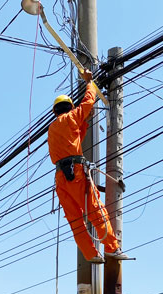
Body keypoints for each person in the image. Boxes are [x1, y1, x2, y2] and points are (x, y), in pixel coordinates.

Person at [48, 70, 129, 264]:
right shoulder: (71, 117)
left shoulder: (53, 128)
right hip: (75, 173)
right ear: (69, 107)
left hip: (60, 178)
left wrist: (84, 121)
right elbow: (88, 101)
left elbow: (74, 139)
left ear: (56, 111)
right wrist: (90, 82)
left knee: (75, 220)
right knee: (94, 210)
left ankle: (91, 254)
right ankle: (111, 248)